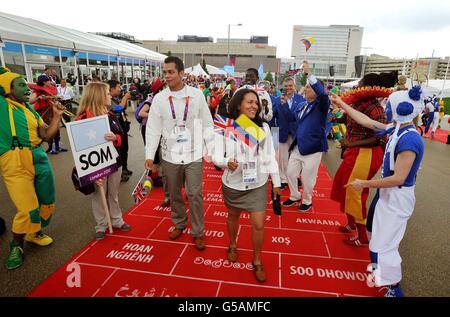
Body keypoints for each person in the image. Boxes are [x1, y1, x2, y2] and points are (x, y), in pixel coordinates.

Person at [331, 85, 425, 297]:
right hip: (388, 194)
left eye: (389, 105)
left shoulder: (409, 139)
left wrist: (364, 183)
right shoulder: (397, 129)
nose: (386, 108)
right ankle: (381, 273)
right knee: (374, 233)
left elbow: (399, 178)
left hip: (397, 196)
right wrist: (342, 104)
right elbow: (367, 121)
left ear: (401, 109)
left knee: (384, 245)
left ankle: (394, 288)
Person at [211, 88, 281, 282]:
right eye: (249, 102)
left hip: (258, 183)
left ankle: (257, 259)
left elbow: (270, 157)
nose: (254, 106)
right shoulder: (226, 126)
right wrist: (226, 162)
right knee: (233, 216)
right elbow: (216, 156)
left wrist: (276, 182)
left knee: (258, 224)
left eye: (256, 103)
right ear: (238, 104)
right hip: (233, 183)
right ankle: (232, 244)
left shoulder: (264, 127)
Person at [144, 56, 214, 250]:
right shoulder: (159, 99)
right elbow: (153, 128)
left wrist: (213, 150)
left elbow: (207, 122)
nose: (166, 76)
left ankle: (198, 231)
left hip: (193, 153)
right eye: (165, 72)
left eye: (171, 72)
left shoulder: (196, 95)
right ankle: (180, 223)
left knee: (194, 193)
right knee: (174, 193)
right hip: (170, 156)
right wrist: (149, 154)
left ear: (181, 73)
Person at [0, 67, 65, 269]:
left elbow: (46, 136)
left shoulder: (29, 110)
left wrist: (56, 116)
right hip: (14, 160)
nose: (27, 88)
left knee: (47, 202)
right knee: (28, 208)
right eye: (21, 85)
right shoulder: (2, 106)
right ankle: (16, 246)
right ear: (6, 89)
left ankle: (34, 232)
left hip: (39, 156)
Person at [330, 72, 396, 246]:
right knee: (345, 188)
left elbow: (379, 138)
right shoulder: (357, 103)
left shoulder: (376, 109)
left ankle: (362, 237)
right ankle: (351, 224)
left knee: (356, 192)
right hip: (355, 152)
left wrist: (350, 143)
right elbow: (347, 118)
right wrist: (337, 116)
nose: (356, 85)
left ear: (367, 87)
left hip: (367, 154)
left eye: (360, 82)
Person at [75, 82, 131, 240]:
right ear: (98, 96)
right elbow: (80, 149)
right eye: (107, 93)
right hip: (96, 164)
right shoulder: (83, 118)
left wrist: (116, 138)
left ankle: (117, 220)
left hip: (115, 162)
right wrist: (91, 172)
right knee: (99, 195)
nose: (110, 96)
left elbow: (121, 136)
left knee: (113, 194)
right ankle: (101, 225)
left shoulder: (111, 115)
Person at [282, 61, 330, 212]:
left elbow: (322, 93)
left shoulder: (321, 105)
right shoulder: (303, 105)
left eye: (309, 87)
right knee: (290, 172)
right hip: (298, 146)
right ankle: (295, 195)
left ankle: (307, 200)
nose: (306, 89)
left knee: (308, 178)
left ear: (316, 89)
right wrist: (284, 104)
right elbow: (292, 118)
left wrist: (309, 74)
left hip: (313, 148)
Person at [273, 77, 307, 189]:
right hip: (282, 133)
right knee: (283, 158)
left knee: (296, 157)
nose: (288, 88)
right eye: (286, 86)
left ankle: (294, 177)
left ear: (294, 86)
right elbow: (273, 116)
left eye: (290, 86)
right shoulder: (277, 100)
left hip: (296, 134)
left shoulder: (301, 100)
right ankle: (283, 179)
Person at [30, 75, 68, 154]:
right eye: (48, 81)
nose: (50, 82)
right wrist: (39, 98)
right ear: (44, 82)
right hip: (43, 112)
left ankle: (57, 147)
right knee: (49, 130)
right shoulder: (37, 91)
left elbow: (53, 98)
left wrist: (56, 99)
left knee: (57, 129)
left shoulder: (50, 89)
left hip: (51, 110)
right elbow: (31, 101)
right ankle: (51, 148)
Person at [108, 80, 132, 182]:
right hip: (115, 129)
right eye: (118, 87)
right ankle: (121, 172)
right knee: (120, 150)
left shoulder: (116, 98)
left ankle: (125, 168)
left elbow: (123, 107)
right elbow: (118, 109)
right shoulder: (109, 100)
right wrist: (125, 97)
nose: (120, 88)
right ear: (112, 89)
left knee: (125, 148)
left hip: (122, 126)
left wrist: (124, 99)